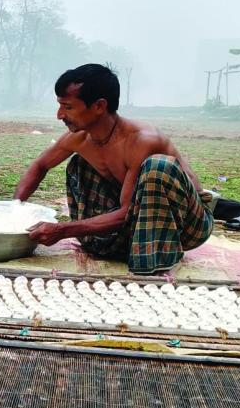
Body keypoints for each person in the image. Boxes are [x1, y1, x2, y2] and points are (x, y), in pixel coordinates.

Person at [15, 64, 213, 274]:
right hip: (133, 219)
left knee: (158, 168)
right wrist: (14, 209)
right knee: (79, 164)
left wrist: (62, 230)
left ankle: (157, 260)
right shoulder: (79, 138)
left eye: (68, 107)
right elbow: (40, 165)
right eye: (60, 106)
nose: (60, 115)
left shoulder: (142, 141)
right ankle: (107, 245)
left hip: (185, 225)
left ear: (99, 106)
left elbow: (126, 211)